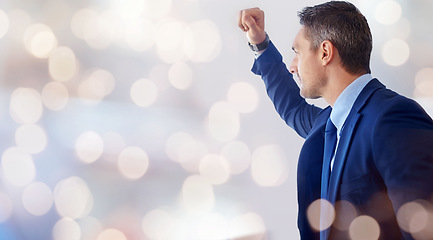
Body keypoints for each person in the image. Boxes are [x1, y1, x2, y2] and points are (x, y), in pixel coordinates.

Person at [238, 1, 433, 239]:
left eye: (297, 53)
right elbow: (292, 108)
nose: (292, 66)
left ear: (325, 53)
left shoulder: (392, 118)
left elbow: (423, 227)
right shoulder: (329, 123)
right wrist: (260, 44)